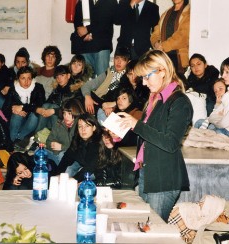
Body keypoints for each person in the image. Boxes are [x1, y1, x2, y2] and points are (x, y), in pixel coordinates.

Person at [118, 50, 193, 221]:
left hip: (163, 179)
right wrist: (122, 130)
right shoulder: (155, 99)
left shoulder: (180, 102)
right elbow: (146, 136)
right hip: (148, 173)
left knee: (153, 232)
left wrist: (136, 125)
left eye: (146, 77)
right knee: (143, 229)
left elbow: (170, 142)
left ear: (162, 71)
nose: (144, 83)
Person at [71, 0, 118, 76]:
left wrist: (88, 29)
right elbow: (77, 21)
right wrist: (83, 35)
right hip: (84, 46)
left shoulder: (110, 1)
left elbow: (107, 20)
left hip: (102, 45)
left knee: (101, 80)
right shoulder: (83, 1)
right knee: (86, 80)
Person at [2, 66, 45, 150]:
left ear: (32, 78)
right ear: (18, 79)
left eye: (29, 78)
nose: (26, 82)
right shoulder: (13, 89)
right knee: (17, 115)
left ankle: (17, 139)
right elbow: (5, 109)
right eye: (23, 78)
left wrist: (22, 107)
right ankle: (11, 142)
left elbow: (40, 105)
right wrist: (14, 109)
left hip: (31, 122)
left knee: (34, 115)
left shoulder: (38, 87)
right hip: (16, 121)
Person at [81, 46, 130, 115]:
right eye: (117, 58)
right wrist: (87, 97)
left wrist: (113, 106)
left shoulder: (128, 77)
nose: (119, 62)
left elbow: (128, 99)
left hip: (108, 105)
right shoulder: (109, 72)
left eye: (123, 59)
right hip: (97, 100)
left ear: (128, 62)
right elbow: (87, 85)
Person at [53, 113, 102, 182]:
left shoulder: (97, 142)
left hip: (98, 171)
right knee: (66, 171)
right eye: (80, 126)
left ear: (94, 128)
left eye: (87, 126)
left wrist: (75, 179)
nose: (83, 129)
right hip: (83, 165)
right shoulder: (77, 140)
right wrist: (57, 175)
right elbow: (67, 157)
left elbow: (90, 167)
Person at [36, 65, 84, 131]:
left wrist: (54, 111)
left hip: (69, 121)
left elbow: (76, 110)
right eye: (57, 76)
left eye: (62, 75)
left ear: (68, 76)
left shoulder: (75, 90)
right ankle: (38, 135)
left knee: (53, 106)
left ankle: (54, 136)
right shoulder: (56, 90)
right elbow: (47, 103)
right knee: (45, 106)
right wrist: (42, 110)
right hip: (54, 120)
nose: (59, 79)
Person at [150, 0, 190, 75]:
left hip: (178, 58)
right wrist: (156, 43)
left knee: (176, 84)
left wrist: (163, 46)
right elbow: (155, 33)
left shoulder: (189, 12)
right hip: (163, 56)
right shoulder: (166, 13)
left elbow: (183, 37)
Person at [45, 99, 85, 165]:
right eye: (64, 113)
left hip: (75, 158)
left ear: (76, 112)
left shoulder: (81, 125)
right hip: (57, 153)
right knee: (39, 152)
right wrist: (53, 145)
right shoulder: (59, 123)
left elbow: (80, 149)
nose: (66, 116)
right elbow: (48, 141)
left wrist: (62, 147)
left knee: (61, 155)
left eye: (69, 113)